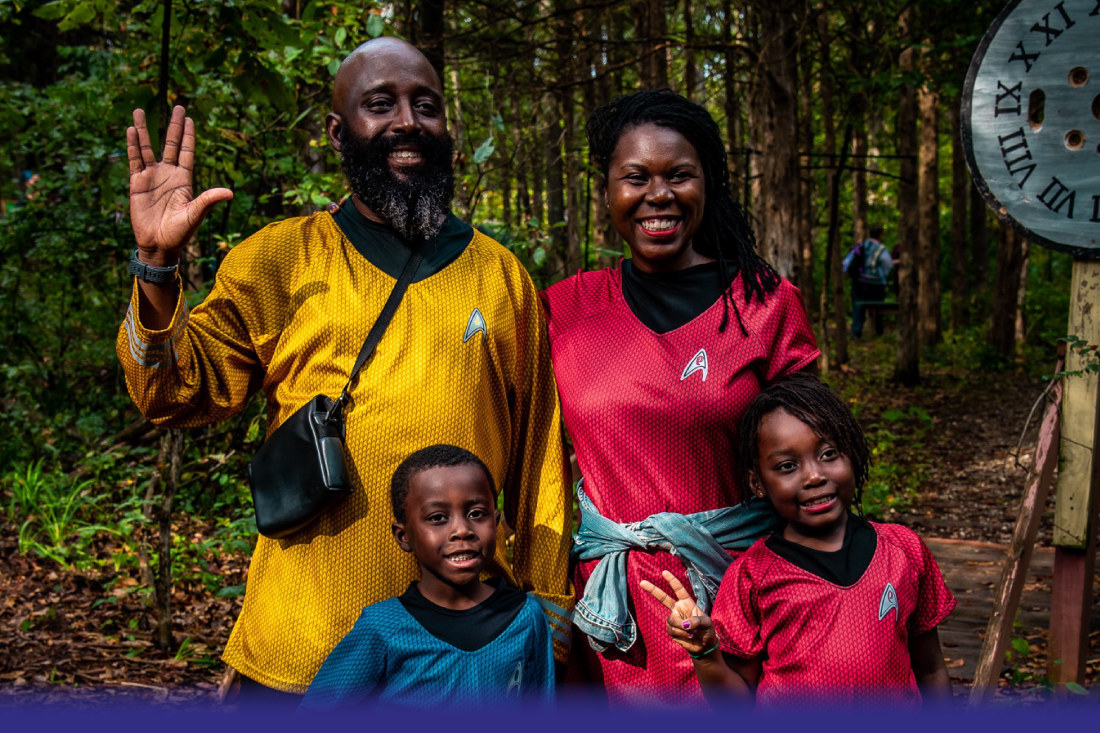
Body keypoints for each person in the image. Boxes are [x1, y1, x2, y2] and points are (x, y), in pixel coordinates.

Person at [117, 37, 573, 703]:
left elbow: (539, 459)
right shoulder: (279, 259)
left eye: (427, 105)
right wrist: (156, 267)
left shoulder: (500, 275)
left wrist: (549, 608)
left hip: (460, 657)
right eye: (380, 104)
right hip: (301, 647)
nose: (407, 121)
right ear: (339, 131)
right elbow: (173, 393)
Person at [539, 89, 820, 706]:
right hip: (611, 610)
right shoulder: (568, 308)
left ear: (707, 184)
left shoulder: (764, 305)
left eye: (679, 175)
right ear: (607, 191)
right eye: (635, 177)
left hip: (739, 593)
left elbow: (813, 464)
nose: (657, 195)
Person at [642, 373, 955, 709]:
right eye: (788, 466)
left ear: (852, 453)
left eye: (829, 454)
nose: (814, 475)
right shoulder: (753, 577)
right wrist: (705, 654)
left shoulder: (903, 550)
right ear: (758, 482)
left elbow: (931, 669)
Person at [300, 444, 554, 710]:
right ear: (404, 535)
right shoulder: (383, 627)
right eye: (438, 517)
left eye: (476, 514)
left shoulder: (525, 616)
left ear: (495, 520)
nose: (462, 530)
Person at [849, 225, 894, 338]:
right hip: (876, 284)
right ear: (880, 235)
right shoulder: (881, 249)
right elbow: (888, 264)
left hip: (859, 283)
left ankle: (856, 332)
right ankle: (878, 332)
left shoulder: (861, 246)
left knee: (858, 307)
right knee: (878, 308)